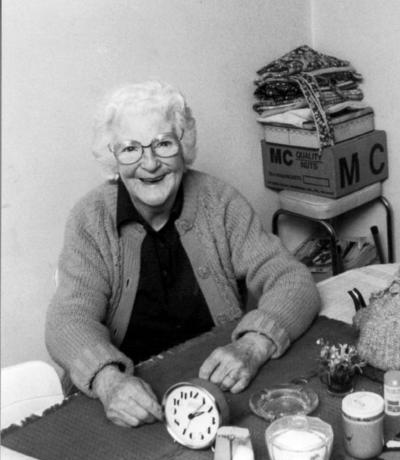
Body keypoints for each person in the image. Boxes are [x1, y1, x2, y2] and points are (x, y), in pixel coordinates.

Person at [45, 80, 321, 428]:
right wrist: (108, 381)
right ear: (113, 158)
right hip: (127, 403)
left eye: (163, 144)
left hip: (214, 392)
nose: (150, 164)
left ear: (183, 146)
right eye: (130, 149)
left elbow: (293, 280)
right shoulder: (91, 218)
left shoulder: (219, 202)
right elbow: (67, 321)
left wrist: (253, 345)